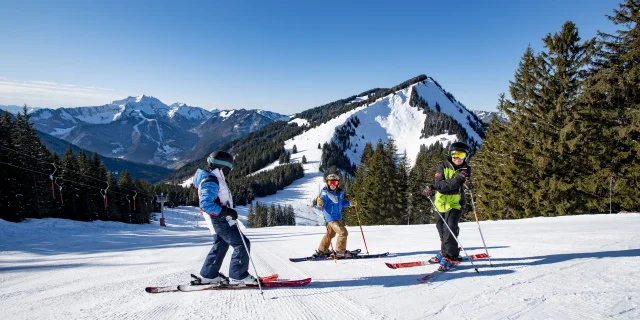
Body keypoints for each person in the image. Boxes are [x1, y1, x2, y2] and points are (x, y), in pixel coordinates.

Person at [192, 150, 258, 285]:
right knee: (242, 244)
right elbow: (206, 204)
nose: (230, 171)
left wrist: (227, 211)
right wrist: (226, 211)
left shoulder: (213, 178)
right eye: (230, 168)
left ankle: (209, 275)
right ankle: (239, 275)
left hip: (218, 219)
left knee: (221, 245)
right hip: (220, 220)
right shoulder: (211, 181)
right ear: (223, 167)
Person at [424, 142, 473, 271]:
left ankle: (451, 256)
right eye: (454, 154)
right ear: (450, 154)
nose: (457, 158)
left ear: (465, 156)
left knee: (450, 229)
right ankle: (444, 252)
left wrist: (467, 183)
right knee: (441, 231)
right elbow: (440, 185)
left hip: (455, 204)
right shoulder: (442, 166)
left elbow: (447, 185)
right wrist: (432, 186)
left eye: (461, 155)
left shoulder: (466, 170)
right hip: (439, 204)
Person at [312, 173, 355, 258]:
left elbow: (341, 203)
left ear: (337, 183)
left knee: (330, 235)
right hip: (331, 218)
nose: (332, 185)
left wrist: (350, 203)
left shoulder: (339, 193)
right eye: (330, 182)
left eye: (334, 182)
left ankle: (322, 250)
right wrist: (319, 203)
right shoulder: (325, 194)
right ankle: (340, 251)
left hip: (336, 217)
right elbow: (321, 207)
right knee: (343, 232)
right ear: (327, 183)